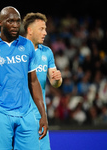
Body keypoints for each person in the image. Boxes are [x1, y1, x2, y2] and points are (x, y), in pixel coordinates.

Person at [0, 6, 48, 150]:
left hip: (26, 113)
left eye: (17, 21)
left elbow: (33, 81)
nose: (15, 25)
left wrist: (43, 114)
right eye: (10, 21)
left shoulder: (27, 45)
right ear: (0, 22)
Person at [23, 13, 63, 150]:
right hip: (20, 117)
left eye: (45, 29)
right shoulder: (16, 51)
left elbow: (54, 82)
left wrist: (57, 79)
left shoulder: (47, 52)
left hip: (40, 117)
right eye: (41, 29)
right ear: (30, 30)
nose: (45, 32)